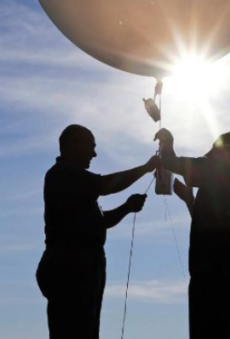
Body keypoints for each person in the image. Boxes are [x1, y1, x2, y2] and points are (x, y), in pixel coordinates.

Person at [37, 124, 157, 339]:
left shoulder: (73, 179)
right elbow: (105, 185)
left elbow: (101, 221)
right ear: (74, 146)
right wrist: (145, 168)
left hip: (82, 266)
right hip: (70, 267)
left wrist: (127, 208)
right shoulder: (64, 174)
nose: (94, 154)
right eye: (90, 147)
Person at [156, 128, 230, 339]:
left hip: (214, 272)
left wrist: (167, 142)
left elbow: (170, 162)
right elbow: (219, 223)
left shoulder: (216, 169)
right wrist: (191, 202)